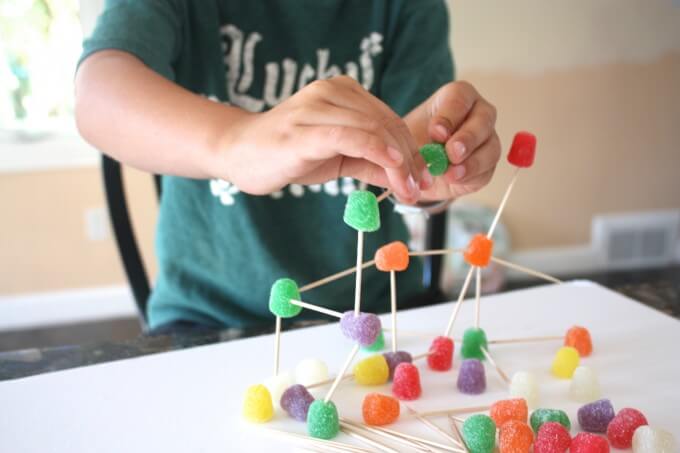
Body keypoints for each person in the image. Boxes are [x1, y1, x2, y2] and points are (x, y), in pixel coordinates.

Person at [75, 0, 501, 332]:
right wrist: (234, 143)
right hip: (208, 316)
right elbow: (97, 95)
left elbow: (416, 167)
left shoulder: (404, 8)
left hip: (376, 306)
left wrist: (434, 167)